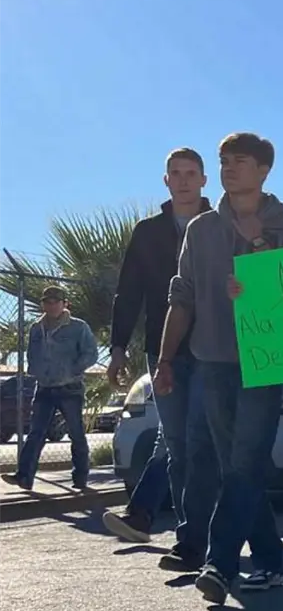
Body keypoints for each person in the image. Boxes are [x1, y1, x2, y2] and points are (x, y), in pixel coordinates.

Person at [156, 132, 283, 605]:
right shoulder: (200, 229)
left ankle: (220, 564)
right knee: (236, 467)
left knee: (244, 462)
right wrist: (164, 360)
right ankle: (269, 558)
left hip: (266, 363)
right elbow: (180, 298)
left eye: (239, 161)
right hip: (212, 361)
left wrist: (262, 262)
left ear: (264, 169)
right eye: (224, 161)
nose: (228, 168)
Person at [100, 149, 216, 570]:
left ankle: (198, 533)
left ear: (205, 180)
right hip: (162, 351)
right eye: (175, 174)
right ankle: (186, 536)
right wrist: (117, 349)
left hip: (213, 351)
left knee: (199, 441)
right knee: (179, 441)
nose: (183, 180)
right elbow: (129, 292)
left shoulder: (222, 227)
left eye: (191, 173)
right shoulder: (147, 232)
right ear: (165, 181)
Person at [3, 287, 97, 491]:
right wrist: (34, 369)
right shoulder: (37, 328)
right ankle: (24, 476)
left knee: (76, 433)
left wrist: (72, 369)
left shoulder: (78, 327)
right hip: (44, 388)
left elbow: (91, 354)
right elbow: (32, 353)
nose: (51, 305)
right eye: (47, 302)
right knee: (36, 432)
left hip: (70, 389)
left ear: (65, 304)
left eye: (56, 302)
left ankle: (80, 476)